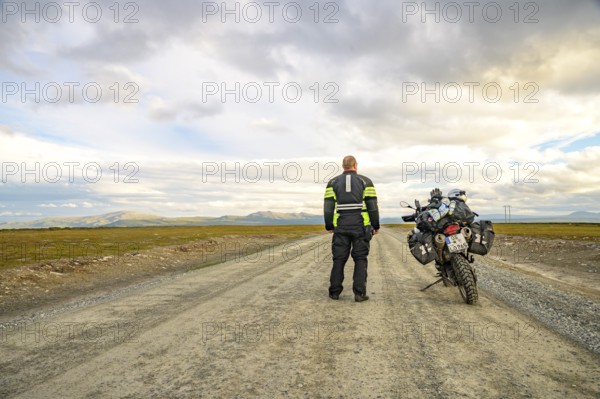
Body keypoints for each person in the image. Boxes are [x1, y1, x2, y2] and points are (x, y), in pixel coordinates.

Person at [324, 155, 380, 302]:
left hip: (341, 226)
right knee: (360, 259)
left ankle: (334, 292)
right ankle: (359, 293)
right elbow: (372, 206)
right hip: (361, 226)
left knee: (339, 259)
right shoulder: (366, 181)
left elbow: (328, 207)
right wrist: (375, 225)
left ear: (343, 166)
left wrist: (329, 225)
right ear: (356, 165)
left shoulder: (332, 182)